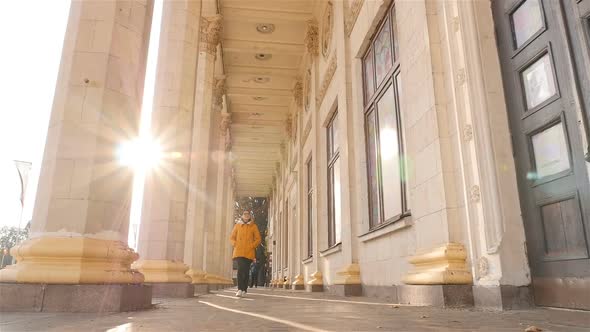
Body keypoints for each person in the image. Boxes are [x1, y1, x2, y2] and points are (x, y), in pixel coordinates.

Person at [230, 210, 261, 297]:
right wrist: (235, 244)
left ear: (250, 216)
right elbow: (231, 237)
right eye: (245, 214)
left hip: (249, 252)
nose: (246, 215)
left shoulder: (253, 226)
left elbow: (258, 239)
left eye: (248, 214)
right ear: (242, 216)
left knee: (246, 271)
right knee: (240, 270)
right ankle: (239, 289)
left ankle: (244, 289)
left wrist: (252, 246)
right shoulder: (237, 226)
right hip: (239, 251)